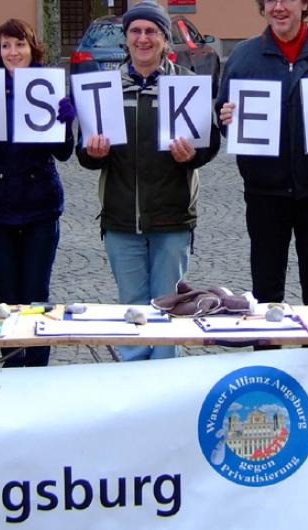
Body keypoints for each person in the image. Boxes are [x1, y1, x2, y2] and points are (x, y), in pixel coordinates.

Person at [77, 0, 220, 361]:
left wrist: (194, 155)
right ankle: (135, 391)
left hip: (172, 217)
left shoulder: (186, 85)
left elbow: (210, 142)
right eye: (135, 31)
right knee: (133, 313)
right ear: (126, 39)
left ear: (164, 40)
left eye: (151, 31)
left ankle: (164, 395)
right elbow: (85, 154)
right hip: (121, 218)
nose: (143, 38)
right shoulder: (105, 88)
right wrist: (94, 153)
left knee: (169, 312)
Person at [216, 0, 308, 311]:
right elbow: (224, 115)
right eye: (271, 0)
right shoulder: (244, 56)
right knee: (266, 293)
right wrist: (226, 117)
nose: (278, 7)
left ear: (306, 4)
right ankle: (269, 360)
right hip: (264, 191)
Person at [0, 19, 74, 367]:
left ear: (32, 48)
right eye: (6, 46)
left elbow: (64, 152)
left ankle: (36, 367)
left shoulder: (46, 87)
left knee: (36, 296)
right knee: (6, 297)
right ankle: (13, 364)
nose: (13, 52)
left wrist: (66, 122)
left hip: (40, 204)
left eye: (19, 45)